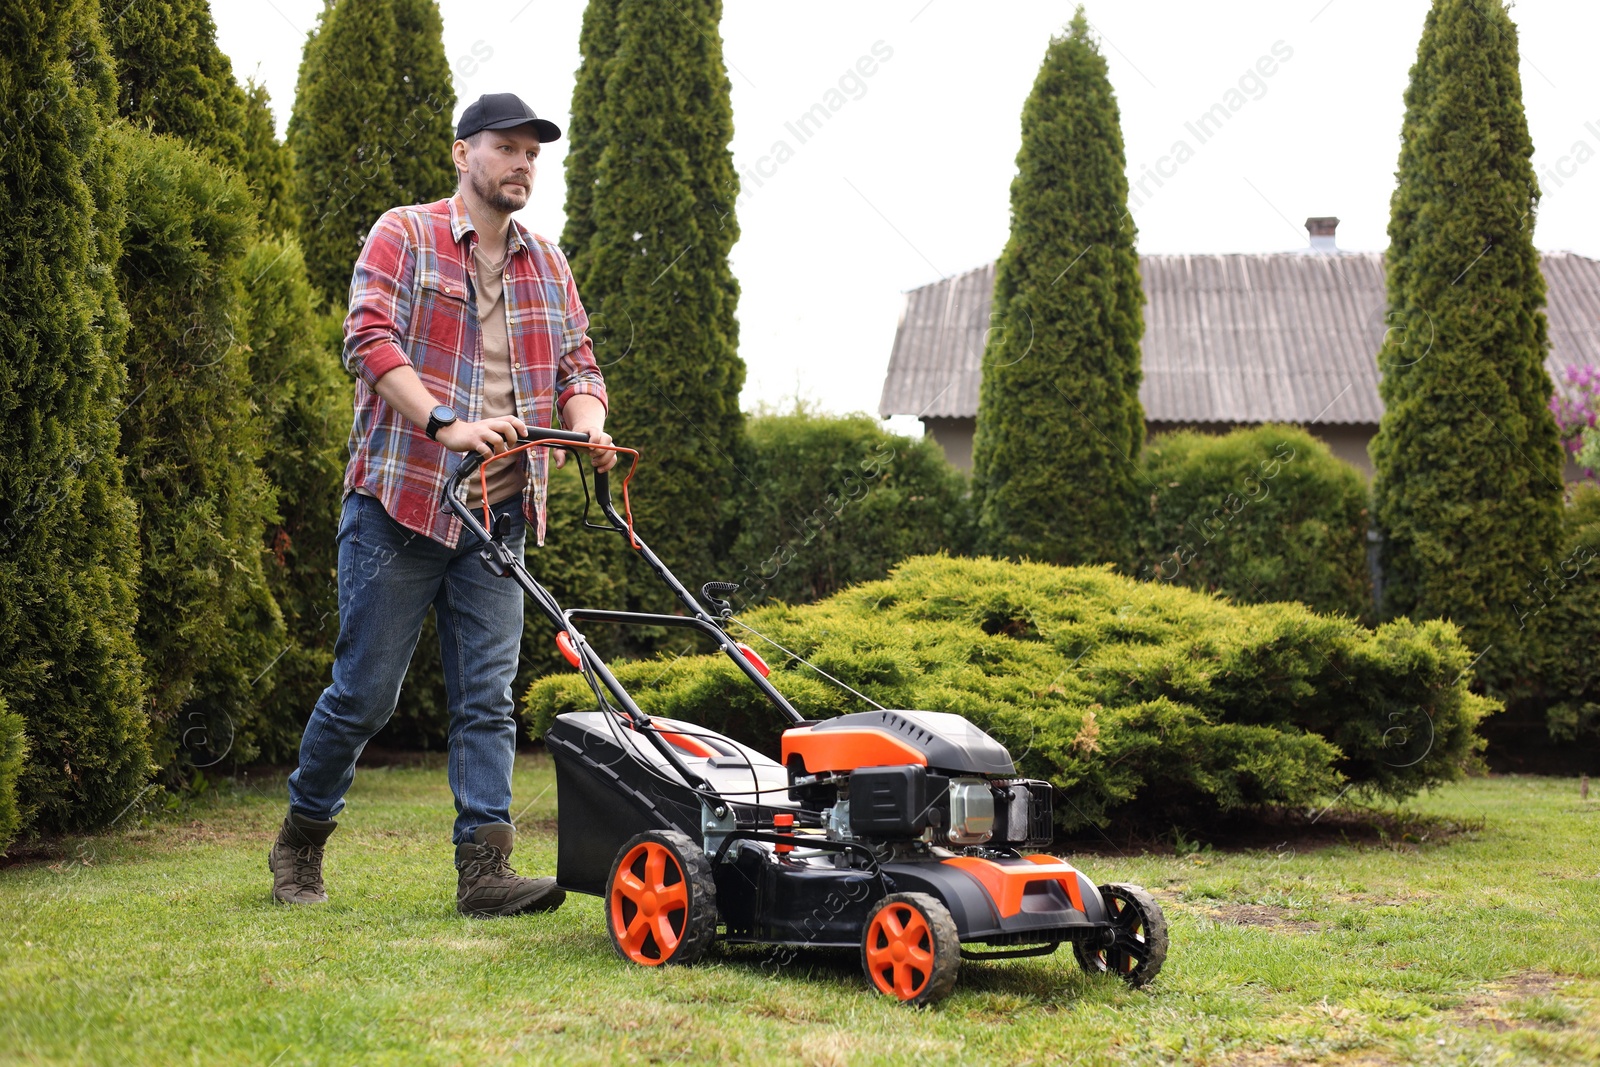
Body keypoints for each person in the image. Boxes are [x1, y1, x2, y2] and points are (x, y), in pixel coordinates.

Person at [268, 93, 615, 916]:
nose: (522, 162)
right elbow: (369, 338)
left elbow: (579, 366)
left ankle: (484, 871)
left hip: (498, 519)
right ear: (463, 155)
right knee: (364, 692)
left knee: (487, 697)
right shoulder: (406, 233)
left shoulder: (548, 263)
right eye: (506, 147)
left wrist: (589, 426)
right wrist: (445, 422)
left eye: (533, 151)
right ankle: (300, 842)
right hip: (402, 505)